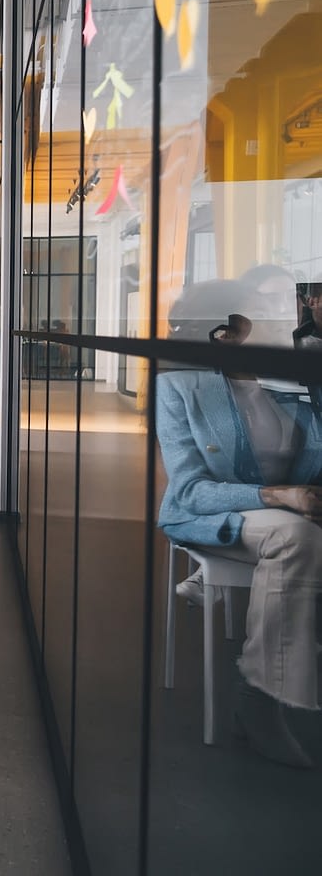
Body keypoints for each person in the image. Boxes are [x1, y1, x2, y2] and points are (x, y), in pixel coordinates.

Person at [155, 279, 322, 768]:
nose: (286, 324)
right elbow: (189, 491)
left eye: (286, 313)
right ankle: (260, 700)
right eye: (266, 315)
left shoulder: (300, 374)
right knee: (296, 540)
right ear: (225, 334)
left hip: (303, 504)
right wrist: (274, 496)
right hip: (226, 511)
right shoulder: (183, 385)